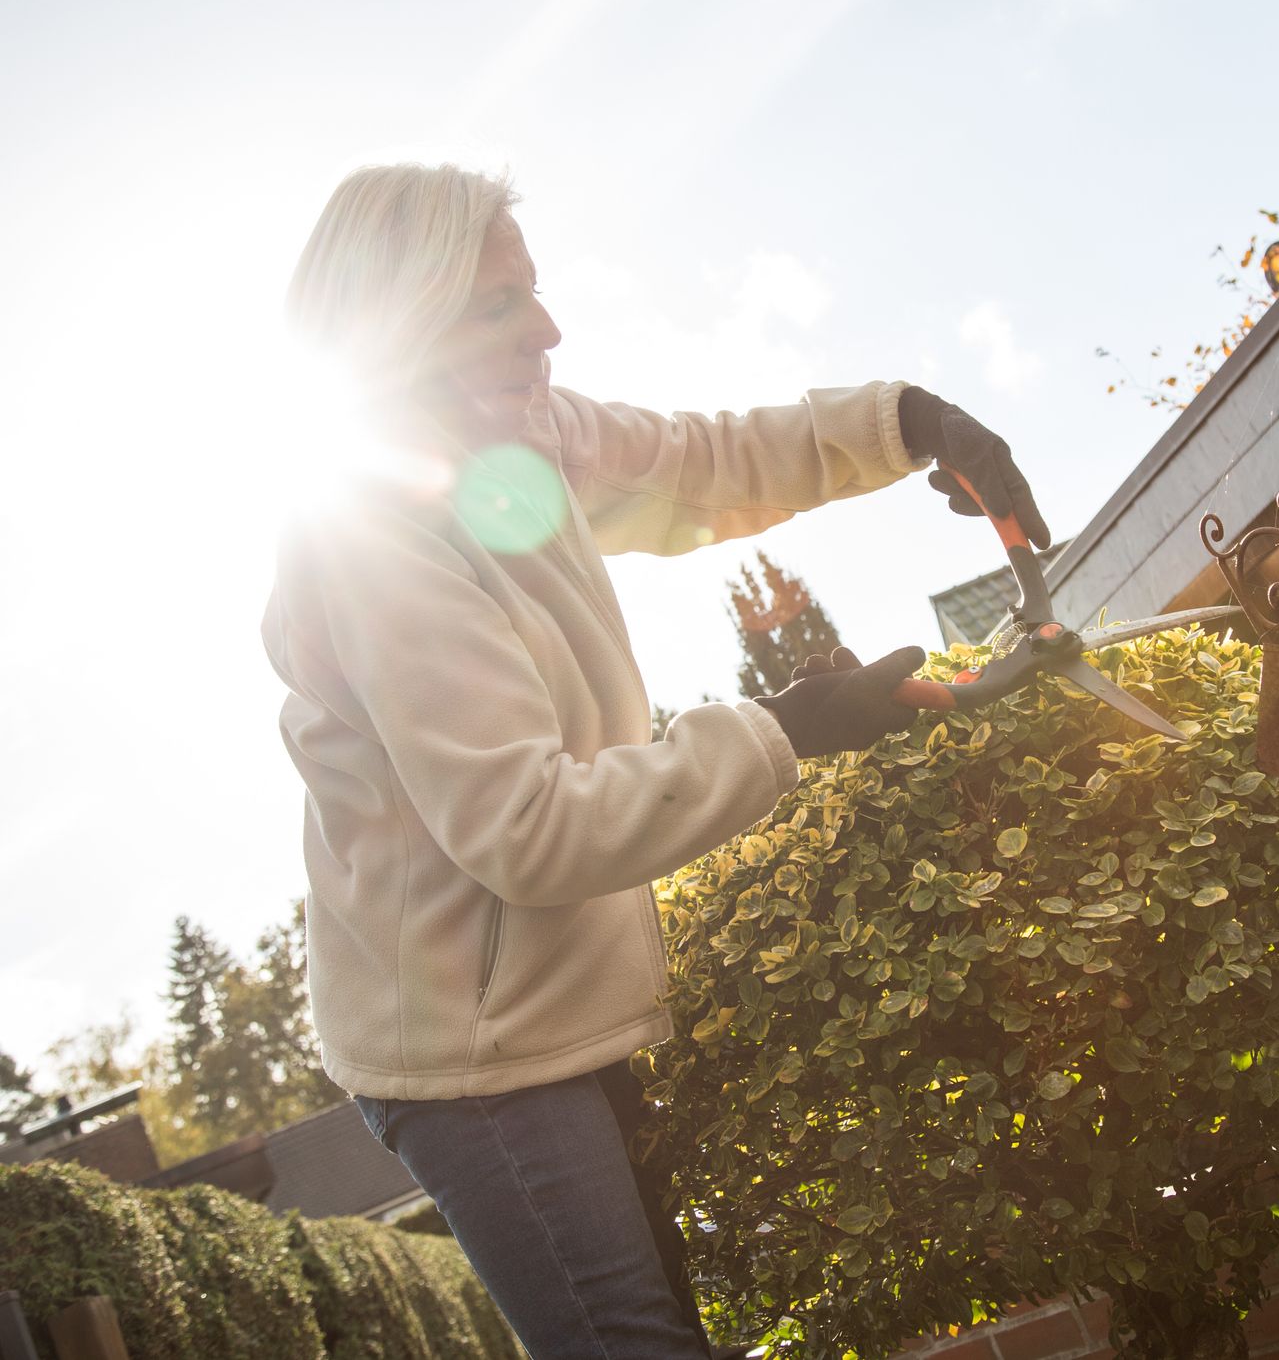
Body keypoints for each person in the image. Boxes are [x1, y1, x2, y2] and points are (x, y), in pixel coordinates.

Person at [261, 163, 1049, 1360]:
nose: (548, 329)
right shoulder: (374, 537)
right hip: (474, 1054)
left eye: (531, 291)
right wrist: (792, 725)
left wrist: (909, 423)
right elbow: (529, 829)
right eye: (496, 308)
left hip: (565, 998)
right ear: (399, 333)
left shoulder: (521, 442)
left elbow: (701, 465)